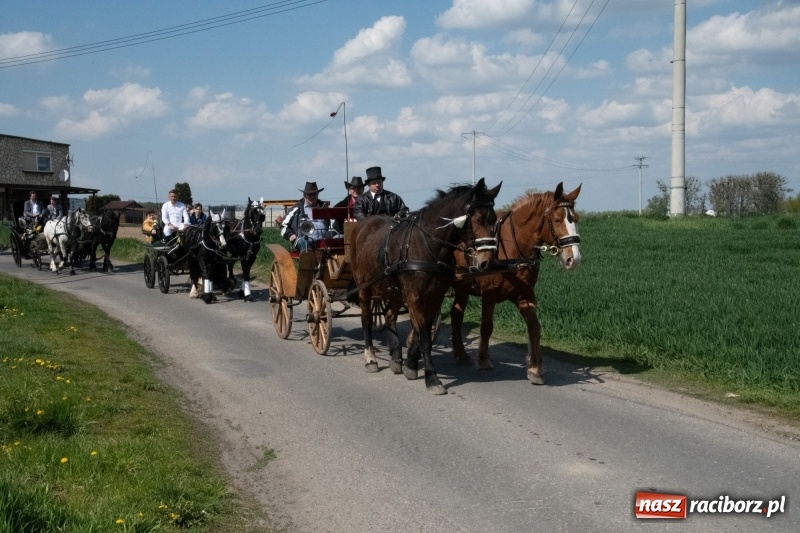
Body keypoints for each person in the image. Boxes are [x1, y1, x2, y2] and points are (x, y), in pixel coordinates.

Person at [280, 181, 331, 252]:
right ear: (304, 195)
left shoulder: (325, 208)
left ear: (318, 194)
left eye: (314, 194)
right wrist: (290, 235)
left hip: (324, 240)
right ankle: (308, 261)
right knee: (304, 241)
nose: (312, 196)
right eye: (309, 194)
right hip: (304, 240)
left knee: (340, 238)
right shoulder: (296, 209)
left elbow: (333, 224)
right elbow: (283, 225)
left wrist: (331, 234)